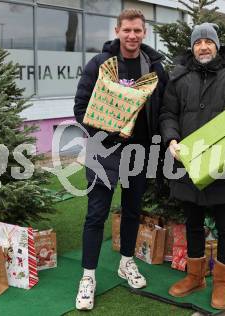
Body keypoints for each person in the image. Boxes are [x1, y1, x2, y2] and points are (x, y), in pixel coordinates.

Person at [73, 9, 167, 310]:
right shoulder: (100, 65)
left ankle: (127, 262)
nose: (132, 36)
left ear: (144, 32)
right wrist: (110, 134)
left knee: (132, 211)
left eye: (137, 30)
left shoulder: (153, 67)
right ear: (117, 31)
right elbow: (80, 108)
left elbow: (163, 107)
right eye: (127, 30)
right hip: (103, 151)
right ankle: (87, 277)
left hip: (139, 153)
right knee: (96, 214)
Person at [159, 23, 225, 309]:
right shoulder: (179, 78)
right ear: (192, 46)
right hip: (188, 163)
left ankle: (222, 282)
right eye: (197, 42)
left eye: (208, 42)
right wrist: (171, 139)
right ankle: (195, 276)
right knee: (193, 223)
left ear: (217, 45)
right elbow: (167, 113)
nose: (203, 46)